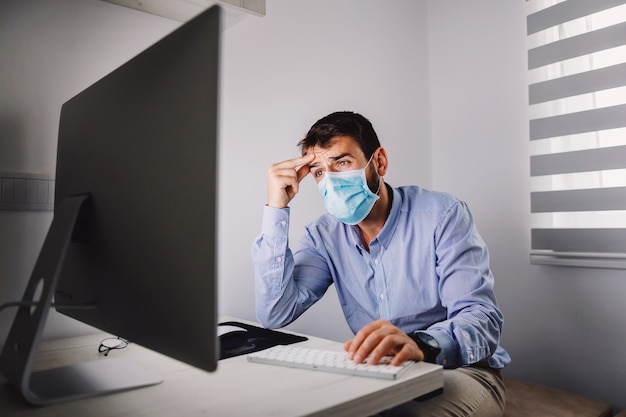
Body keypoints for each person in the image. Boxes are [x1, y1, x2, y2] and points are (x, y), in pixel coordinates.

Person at [252, 111, 510, 416]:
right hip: (379, 374)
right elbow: (275, 312)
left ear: (380, 162)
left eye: (342, 163)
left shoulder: (443, 214)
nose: (331, 180)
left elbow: (481, 318)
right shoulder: (323, 235)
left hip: (458, 370)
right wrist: (275, 209)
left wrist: (422, 345)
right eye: (320, 171)